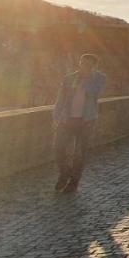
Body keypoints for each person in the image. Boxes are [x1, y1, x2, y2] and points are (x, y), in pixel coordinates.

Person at [52, 54, 106, 193]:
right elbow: (61, 98)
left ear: (94, 66)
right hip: (67, 119)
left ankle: (74, 182)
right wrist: (56, 117)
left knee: (80, 153)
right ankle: (65, 173)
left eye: (88, 65)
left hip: (86, 120)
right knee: (58, 147)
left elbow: (95, 92)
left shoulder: (99, 78)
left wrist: (86, 79)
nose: (84, 67)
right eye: (82, 63)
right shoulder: (69, 78)